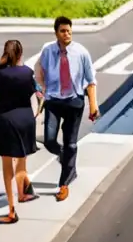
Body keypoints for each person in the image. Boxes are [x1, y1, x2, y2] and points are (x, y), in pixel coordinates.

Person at [34, 16, 99, 201]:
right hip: (53, 101)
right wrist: (40, 96)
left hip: (74, 101)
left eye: (69, 30)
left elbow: (91, 80)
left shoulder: (81, 52)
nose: (67, 34)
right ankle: (67, 159)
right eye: (63, 31)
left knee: (71, 143)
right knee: (49, 140)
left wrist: (93, 106)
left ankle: (64, 184)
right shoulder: (47, 51)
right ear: (56, 33)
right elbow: (38, 75)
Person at [0, 40, 41, 224]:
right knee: (22, 159)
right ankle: (23, 193)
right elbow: (40, 95)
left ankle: (11, 210)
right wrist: (37, 112)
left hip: (5, 120)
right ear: (20, 53)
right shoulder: (28, 73)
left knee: (7, 163)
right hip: (26, 119)